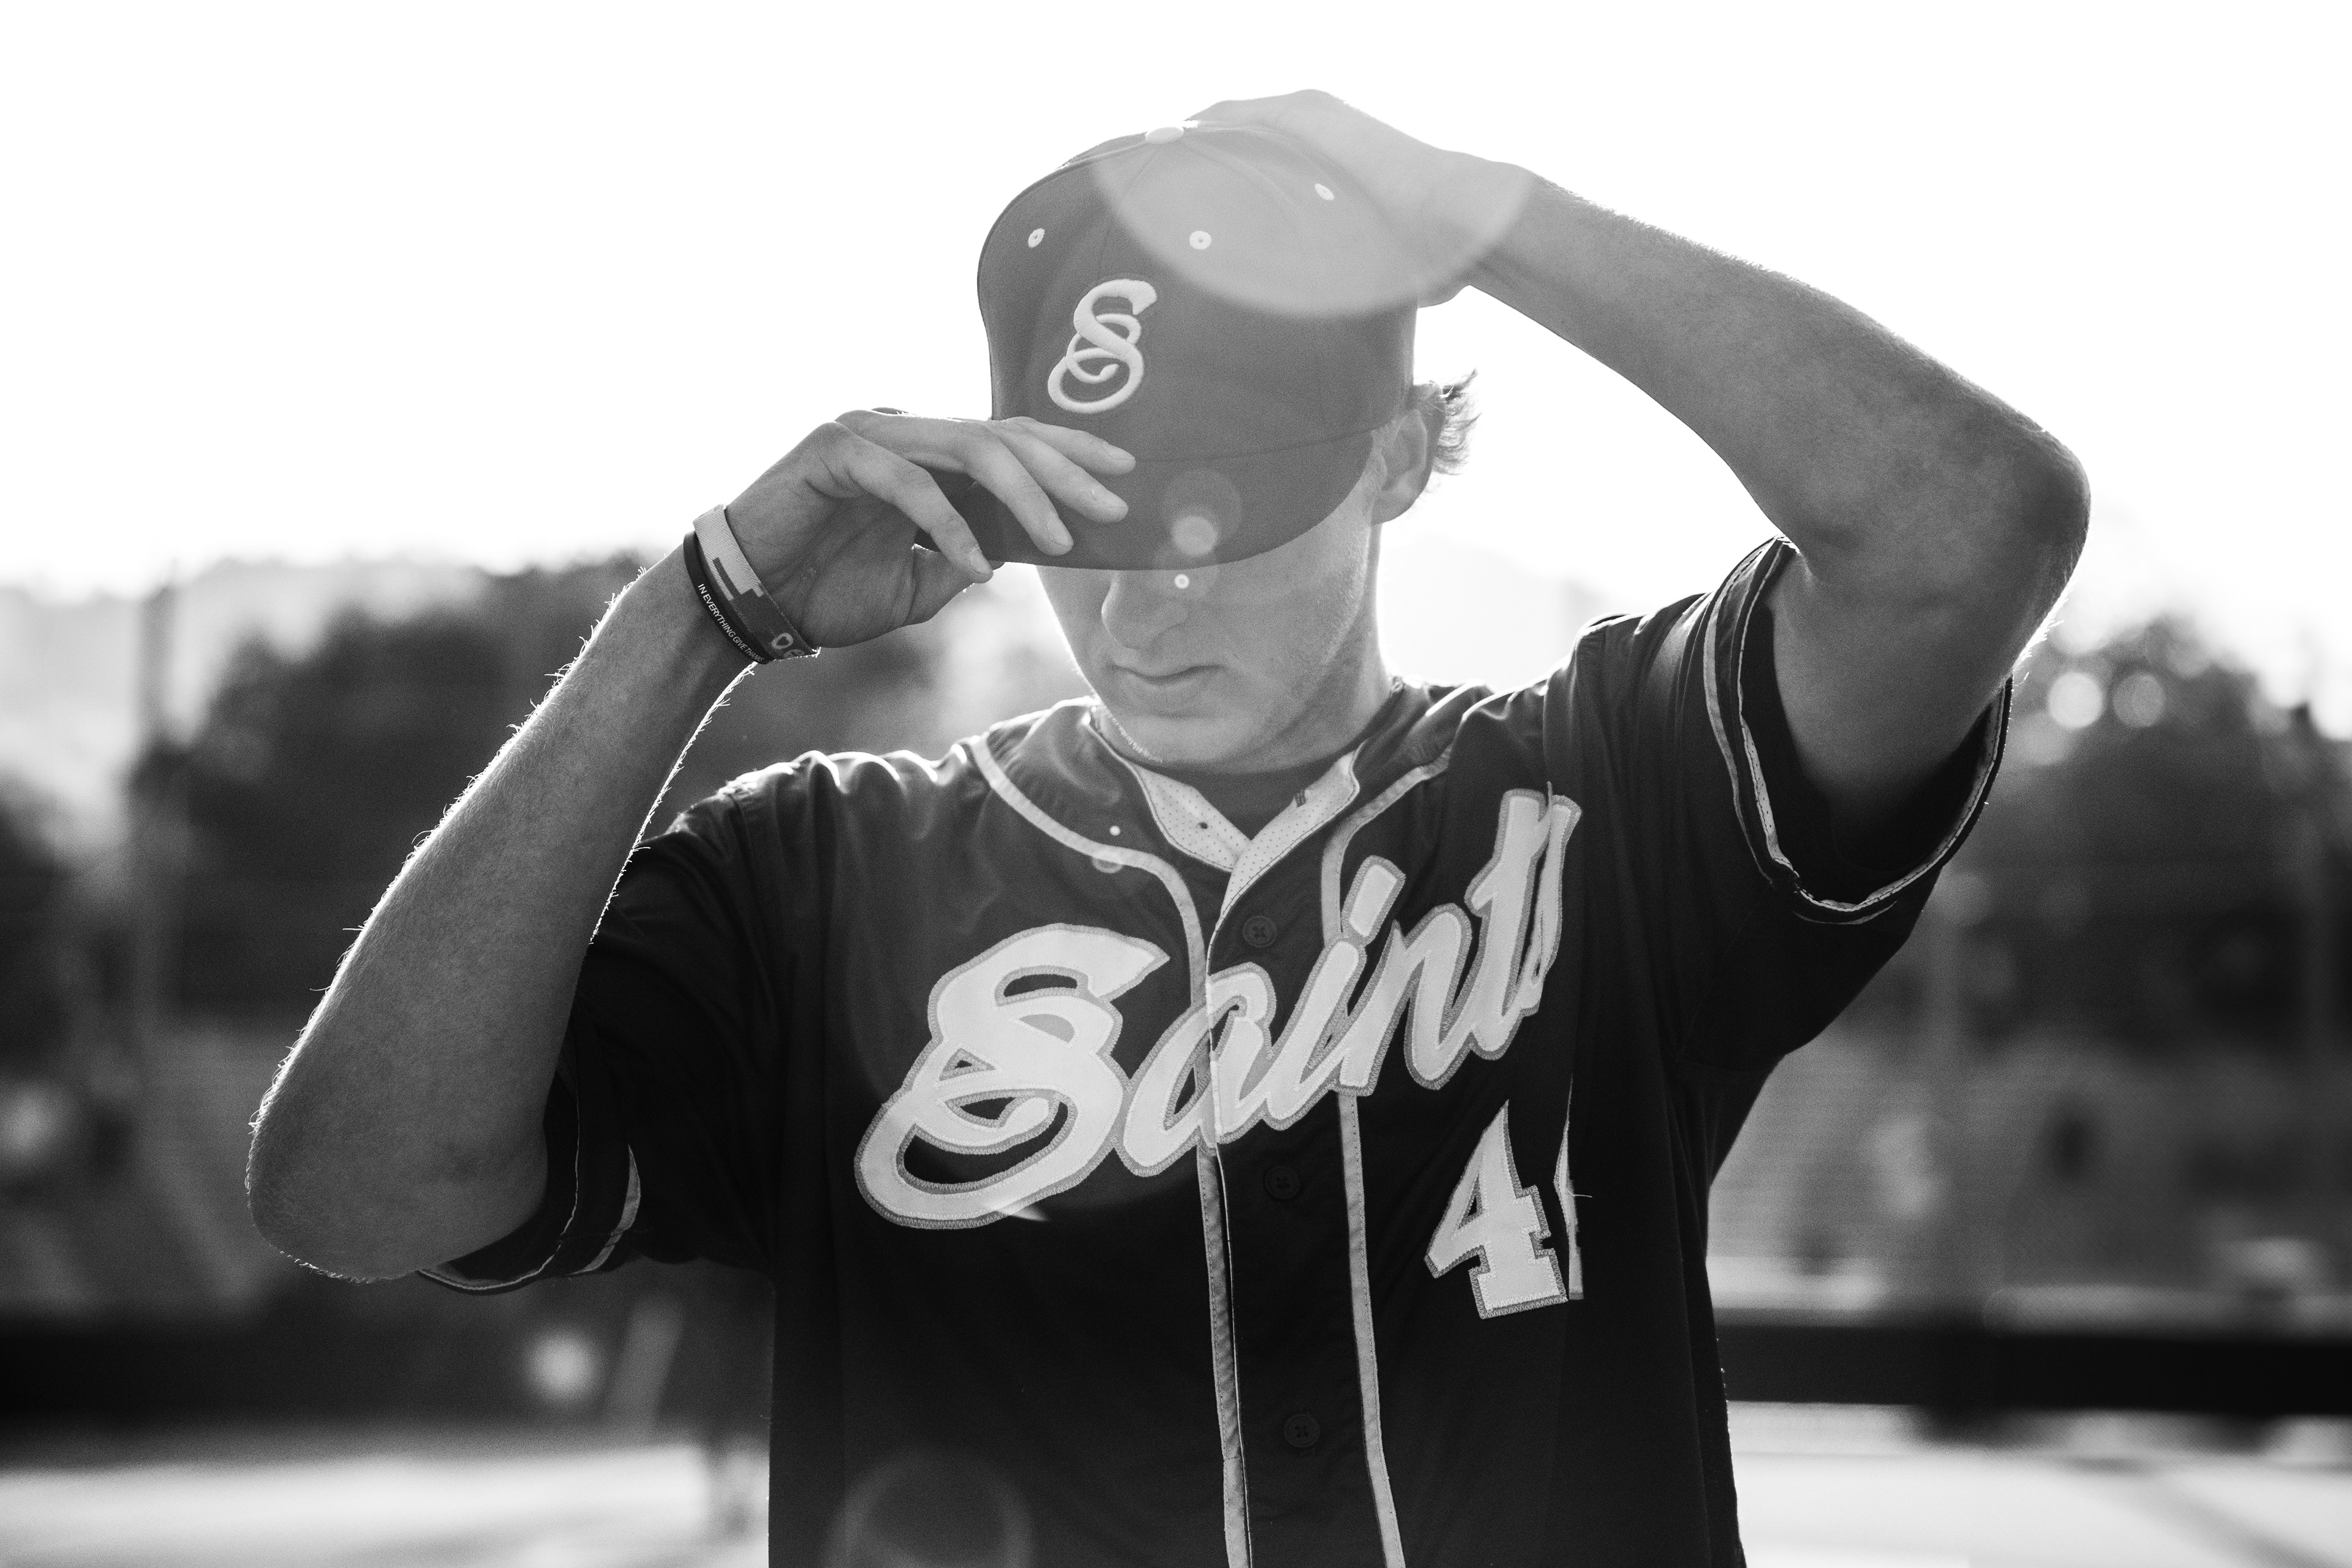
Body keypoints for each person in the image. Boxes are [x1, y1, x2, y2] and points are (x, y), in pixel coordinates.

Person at [246, 92, 2086, 1566]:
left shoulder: (1610, 790)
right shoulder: (823, 880)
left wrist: (1481, 210)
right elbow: (354, 1190)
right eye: (1094, 523)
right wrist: (703, 610)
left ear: (1394, 454)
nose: (1142, 606)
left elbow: (1969, 527)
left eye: (1217, 517)